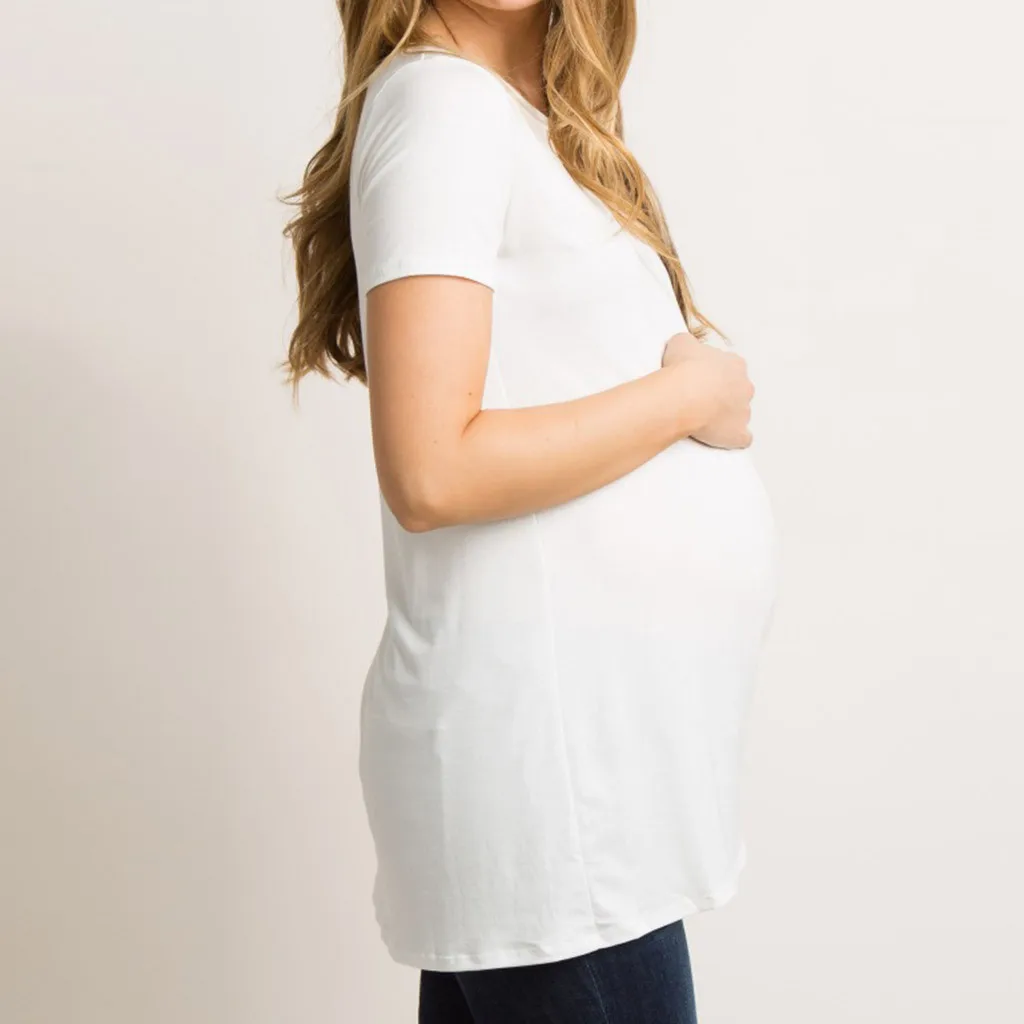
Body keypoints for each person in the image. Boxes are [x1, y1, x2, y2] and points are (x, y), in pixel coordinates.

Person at [283, 1, 780, 1020]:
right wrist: (689, 397)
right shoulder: (442, 108)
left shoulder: (519, 116)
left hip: (575, 791)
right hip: (556, 799)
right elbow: (432, 469)